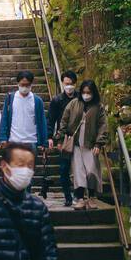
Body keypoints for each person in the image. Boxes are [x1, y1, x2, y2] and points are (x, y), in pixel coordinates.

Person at [56, 78, 109, 210]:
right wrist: (60, 138)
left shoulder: (98, 107)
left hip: (91, 144)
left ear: (93, 93)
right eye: (84, 92)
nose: (86, 94)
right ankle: (80, 198)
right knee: (78, 172)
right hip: (76, 144)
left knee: (91, 171)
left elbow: (103, 126)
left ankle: (91, 197)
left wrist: (98, 143)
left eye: (89, 92)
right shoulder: (74, 103)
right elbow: (64, 121)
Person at [47, 70, 79, 208]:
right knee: (64, 168)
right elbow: (51, 120)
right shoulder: (57, 100)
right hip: (64, 138)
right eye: (66, 84)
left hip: (79, 138)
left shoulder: (81, 98)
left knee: (79, 169)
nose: (69, 86)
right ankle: (67, 196)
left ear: (75, 84)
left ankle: (79, 196)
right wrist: (50, 137)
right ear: (62, 83)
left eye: (71, 84)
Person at [0, 70, 48, 154]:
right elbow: (4, 118)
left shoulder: (37, 101)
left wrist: (44, 142)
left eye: (27, 85)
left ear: (31, 84)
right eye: (22, 85)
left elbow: (42, 121)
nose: (24, 87)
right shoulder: (10, 98)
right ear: (18, 83)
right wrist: (2, 137)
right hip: (13, 141)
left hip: (31, 141)